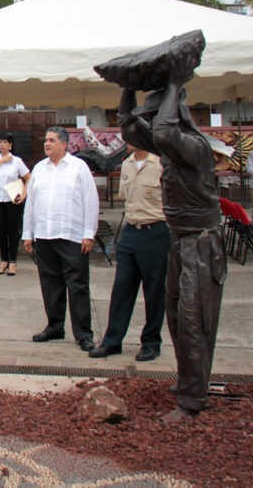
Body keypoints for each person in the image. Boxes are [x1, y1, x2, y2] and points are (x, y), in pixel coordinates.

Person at [118, 75, 227, 420]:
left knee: (195, 320)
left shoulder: (192, 145)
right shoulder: (169, 145)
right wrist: (127, 85)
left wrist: (176, 82)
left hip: (201, 242)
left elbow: (161, 132)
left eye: (155, 116)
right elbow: (129, 128)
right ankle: (187, 382)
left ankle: (193, 399)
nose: (149, 125)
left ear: (175, 115)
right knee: (178, 315)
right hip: (180, 238)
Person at [89, 145, 170, 362]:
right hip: (131, 232)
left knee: (154, 293)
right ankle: (112, 341)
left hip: (156, 231)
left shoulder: (161, 164)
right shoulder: (127, 164)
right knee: (121, 290)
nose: (127, 140)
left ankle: (151, 343)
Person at [22, 126, 99, 352]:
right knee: (50, 285)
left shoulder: (79, 168)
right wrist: (28, 234)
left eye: (52, 140)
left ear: (65, 144)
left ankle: (84, 333)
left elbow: (91, 202)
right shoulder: (39, 168)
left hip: (72, 236)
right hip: (45, 235)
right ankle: (55, 326)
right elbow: (31, 203)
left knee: (77, 286)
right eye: (46, 140)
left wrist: (88, 234)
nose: (47, 144)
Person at [0, 134, 30, 276]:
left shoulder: (17, 161)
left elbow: (28, 177)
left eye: (5, 142)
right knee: (0, 231)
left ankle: (13, 262)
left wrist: (25, 193)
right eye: (0, 142)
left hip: (13, 200)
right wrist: (1, 161)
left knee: (13, 231)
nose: (2, 144)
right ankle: (4, 261)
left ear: (10, 145)